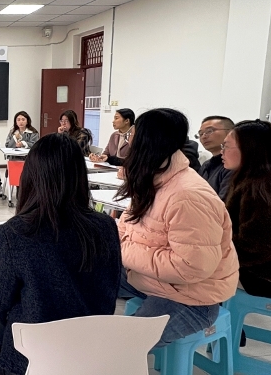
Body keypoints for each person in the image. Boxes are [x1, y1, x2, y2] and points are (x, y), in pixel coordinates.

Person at [0, 133, 121, 375]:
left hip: (34, 360)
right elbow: (110, 293)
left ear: (31, 176)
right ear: (79, 176)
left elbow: (1, 306)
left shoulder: (15, 232)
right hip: (92, 353)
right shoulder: (106, 226)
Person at [116, 108, 239, 348]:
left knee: (122, 346)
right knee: (80, 272)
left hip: (190, 297)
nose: (128, 143)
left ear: (146, 142)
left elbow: (190, 267)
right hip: (150, 278)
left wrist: (122, 251)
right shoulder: (152, 179)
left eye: (132, 136)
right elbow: (124, 228)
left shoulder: (187, 196)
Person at [222, 120, 271, 298]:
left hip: (259, 275)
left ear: (250, 149)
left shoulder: (260, 188)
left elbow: (255, 247)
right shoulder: (247, 179)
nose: (222, 151)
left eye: (226, 146)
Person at [196, 116, 234, 200]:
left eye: (209, 131)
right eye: (200, 134)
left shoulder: (233, 164)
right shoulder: (206, 165)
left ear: (230, 132)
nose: (204, 137)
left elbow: (224, 202)